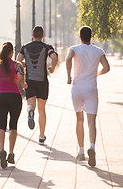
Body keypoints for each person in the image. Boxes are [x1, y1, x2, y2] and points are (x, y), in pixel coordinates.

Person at [65, 26, 110, 167]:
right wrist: (97, 73)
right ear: (91, 37)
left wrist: (68, 76)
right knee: (92, 121)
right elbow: (107, 67)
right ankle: (92, 147)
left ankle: (81, 151)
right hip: (91, 88)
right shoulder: (98, 51)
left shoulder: (74, 49)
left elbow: (68, 59)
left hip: (77, 88)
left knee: (79, 119)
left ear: (79, 37)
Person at [16, 25, 58, 145]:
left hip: (30, 80)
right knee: (42, 109)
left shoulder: (25, 48)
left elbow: (17, 63)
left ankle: (30, 112)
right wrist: (52, 67)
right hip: (42, 81)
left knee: (30, 104)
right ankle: (41, 136)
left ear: (32, 35)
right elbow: (54, 56)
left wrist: (25, 66)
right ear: (43, 35)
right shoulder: (46, 47)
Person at [0, 42, 27, 169]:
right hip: (15, 97)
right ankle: (11, 153)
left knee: (1, 126)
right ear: (12, 52)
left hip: (0, 96)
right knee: (13, 126)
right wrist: (23, 83)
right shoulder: (17, 65)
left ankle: (1, 150)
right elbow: (21, 79)